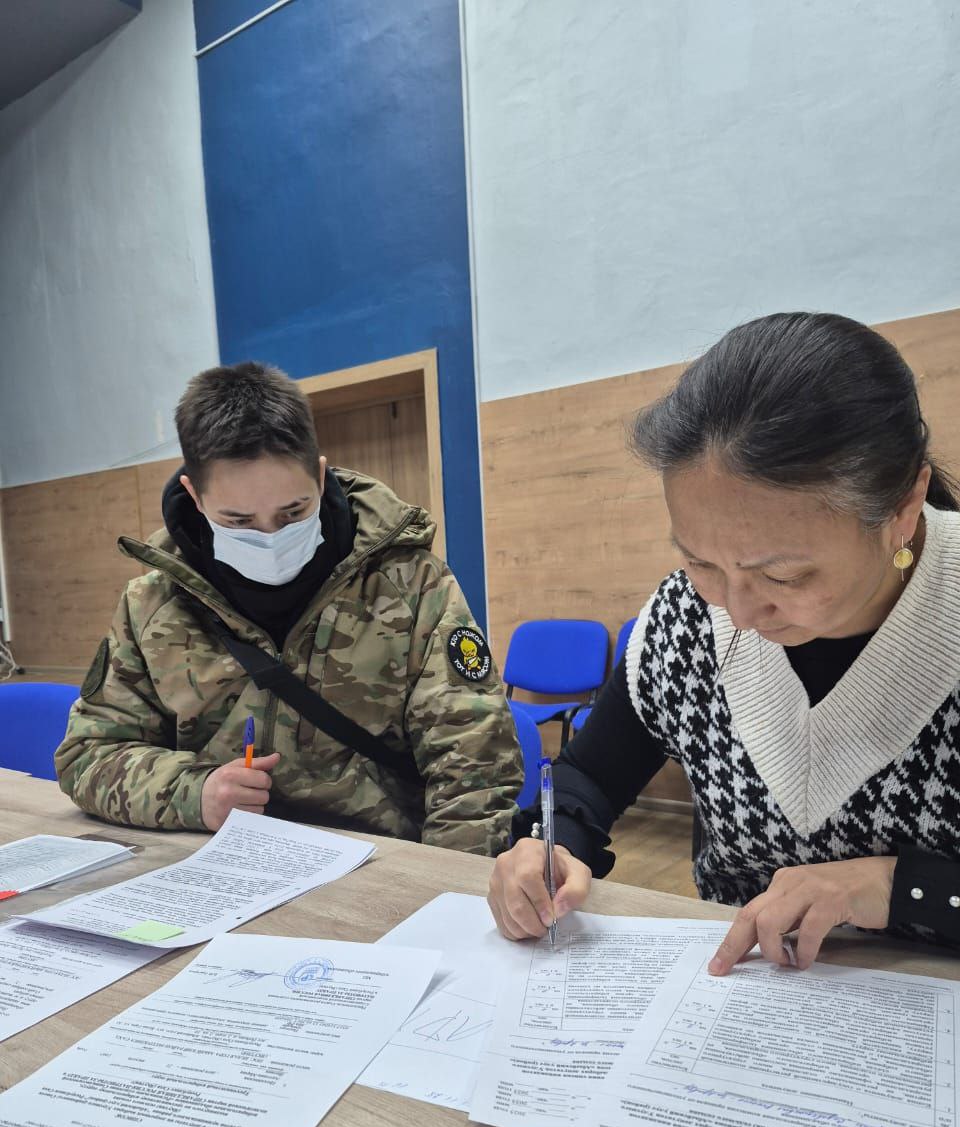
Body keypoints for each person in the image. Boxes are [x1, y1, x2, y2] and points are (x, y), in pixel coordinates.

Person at [488, 312, 960, 968]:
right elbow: (590, 773)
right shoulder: (686, 617)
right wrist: (550, 843)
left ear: (903, 508)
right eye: (702, 562)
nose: (736, 613)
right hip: (737, 996)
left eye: (783, 574)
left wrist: (896, 886)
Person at [57, 362, 522, 855]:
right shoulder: (151, 604)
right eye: (238, 520)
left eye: (293, 512)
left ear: (320, 478)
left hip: (381, 866)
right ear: (195, 496)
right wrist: (196, 793)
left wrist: (445, 895)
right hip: (219, 865)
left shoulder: (411, 584)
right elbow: (88, 755)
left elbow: (475, 765)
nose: (270, 537)